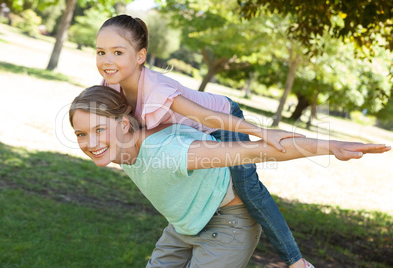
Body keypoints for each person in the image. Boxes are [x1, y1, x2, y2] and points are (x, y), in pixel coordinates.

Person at [69, 86, 390, 267]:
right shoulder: (119, 146)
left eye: (99, 130)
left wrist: (333, 146)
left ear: (125, 125)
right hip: (183, 225)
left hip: (228, 225)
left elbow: (260, 151)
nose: (91, 143)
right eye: (81, 134)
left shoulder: (168, 152)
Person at [95, 14, 310, 267]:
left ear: (140, 56)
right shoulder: (110, 87)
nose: (107, 61)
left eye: (117, 52)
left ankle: (297, 261)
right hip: (189, 136)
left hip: (221, 120)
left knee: (247, 187)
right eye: (100, 52)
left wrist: (263, 132)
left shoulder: (156, 89)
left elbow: (208, 117)